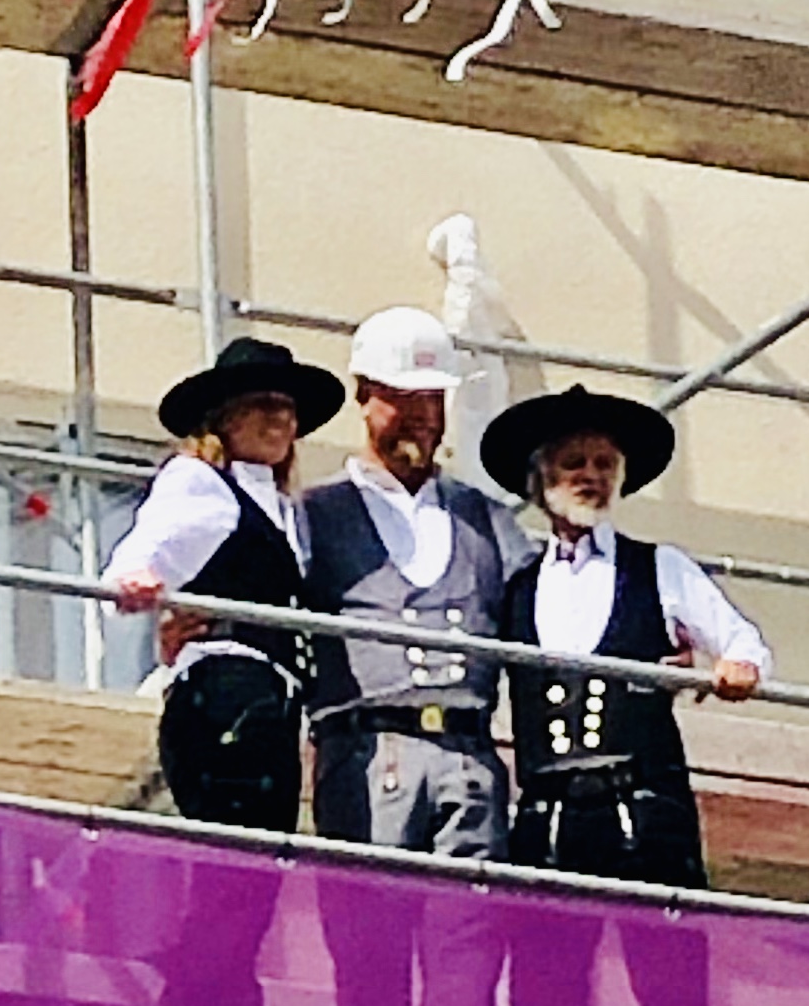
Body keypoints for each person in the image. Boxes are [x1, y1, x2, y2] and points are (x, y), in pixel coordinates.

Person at [479, 381, 769, 890]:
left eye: (604, 464)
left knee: (664, 941)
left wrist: (737, 667)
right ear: (542, 477)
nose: (591, 475)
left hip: (646, 814)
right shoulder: (517, 586)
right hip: (548, 820)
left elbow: (743, 642)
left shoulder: (659, 567)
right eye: (574, 463)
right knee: (545, 943)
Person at [104, 332, 345, 834]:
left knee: (261, 853)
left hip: (273, 704)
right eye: (263, 404)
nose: (280, 419)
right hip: (227, 691)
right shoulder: (201, 482)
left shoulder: (286, 511)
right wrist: (137, 580)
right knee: (236, 847)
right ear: (225, 416)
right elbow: (152, 544)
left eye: (288, 408)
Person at [301, 307, 514, 861]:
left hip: (469, 754)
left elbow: (547, 608)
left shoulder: (484, 516)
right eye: (404, 399)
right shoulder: (315, 512)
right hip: (366, 753)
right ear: (364, 395)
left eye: (432, 399)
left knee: (472, 913)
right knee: (371, 912)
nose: (423, 416)